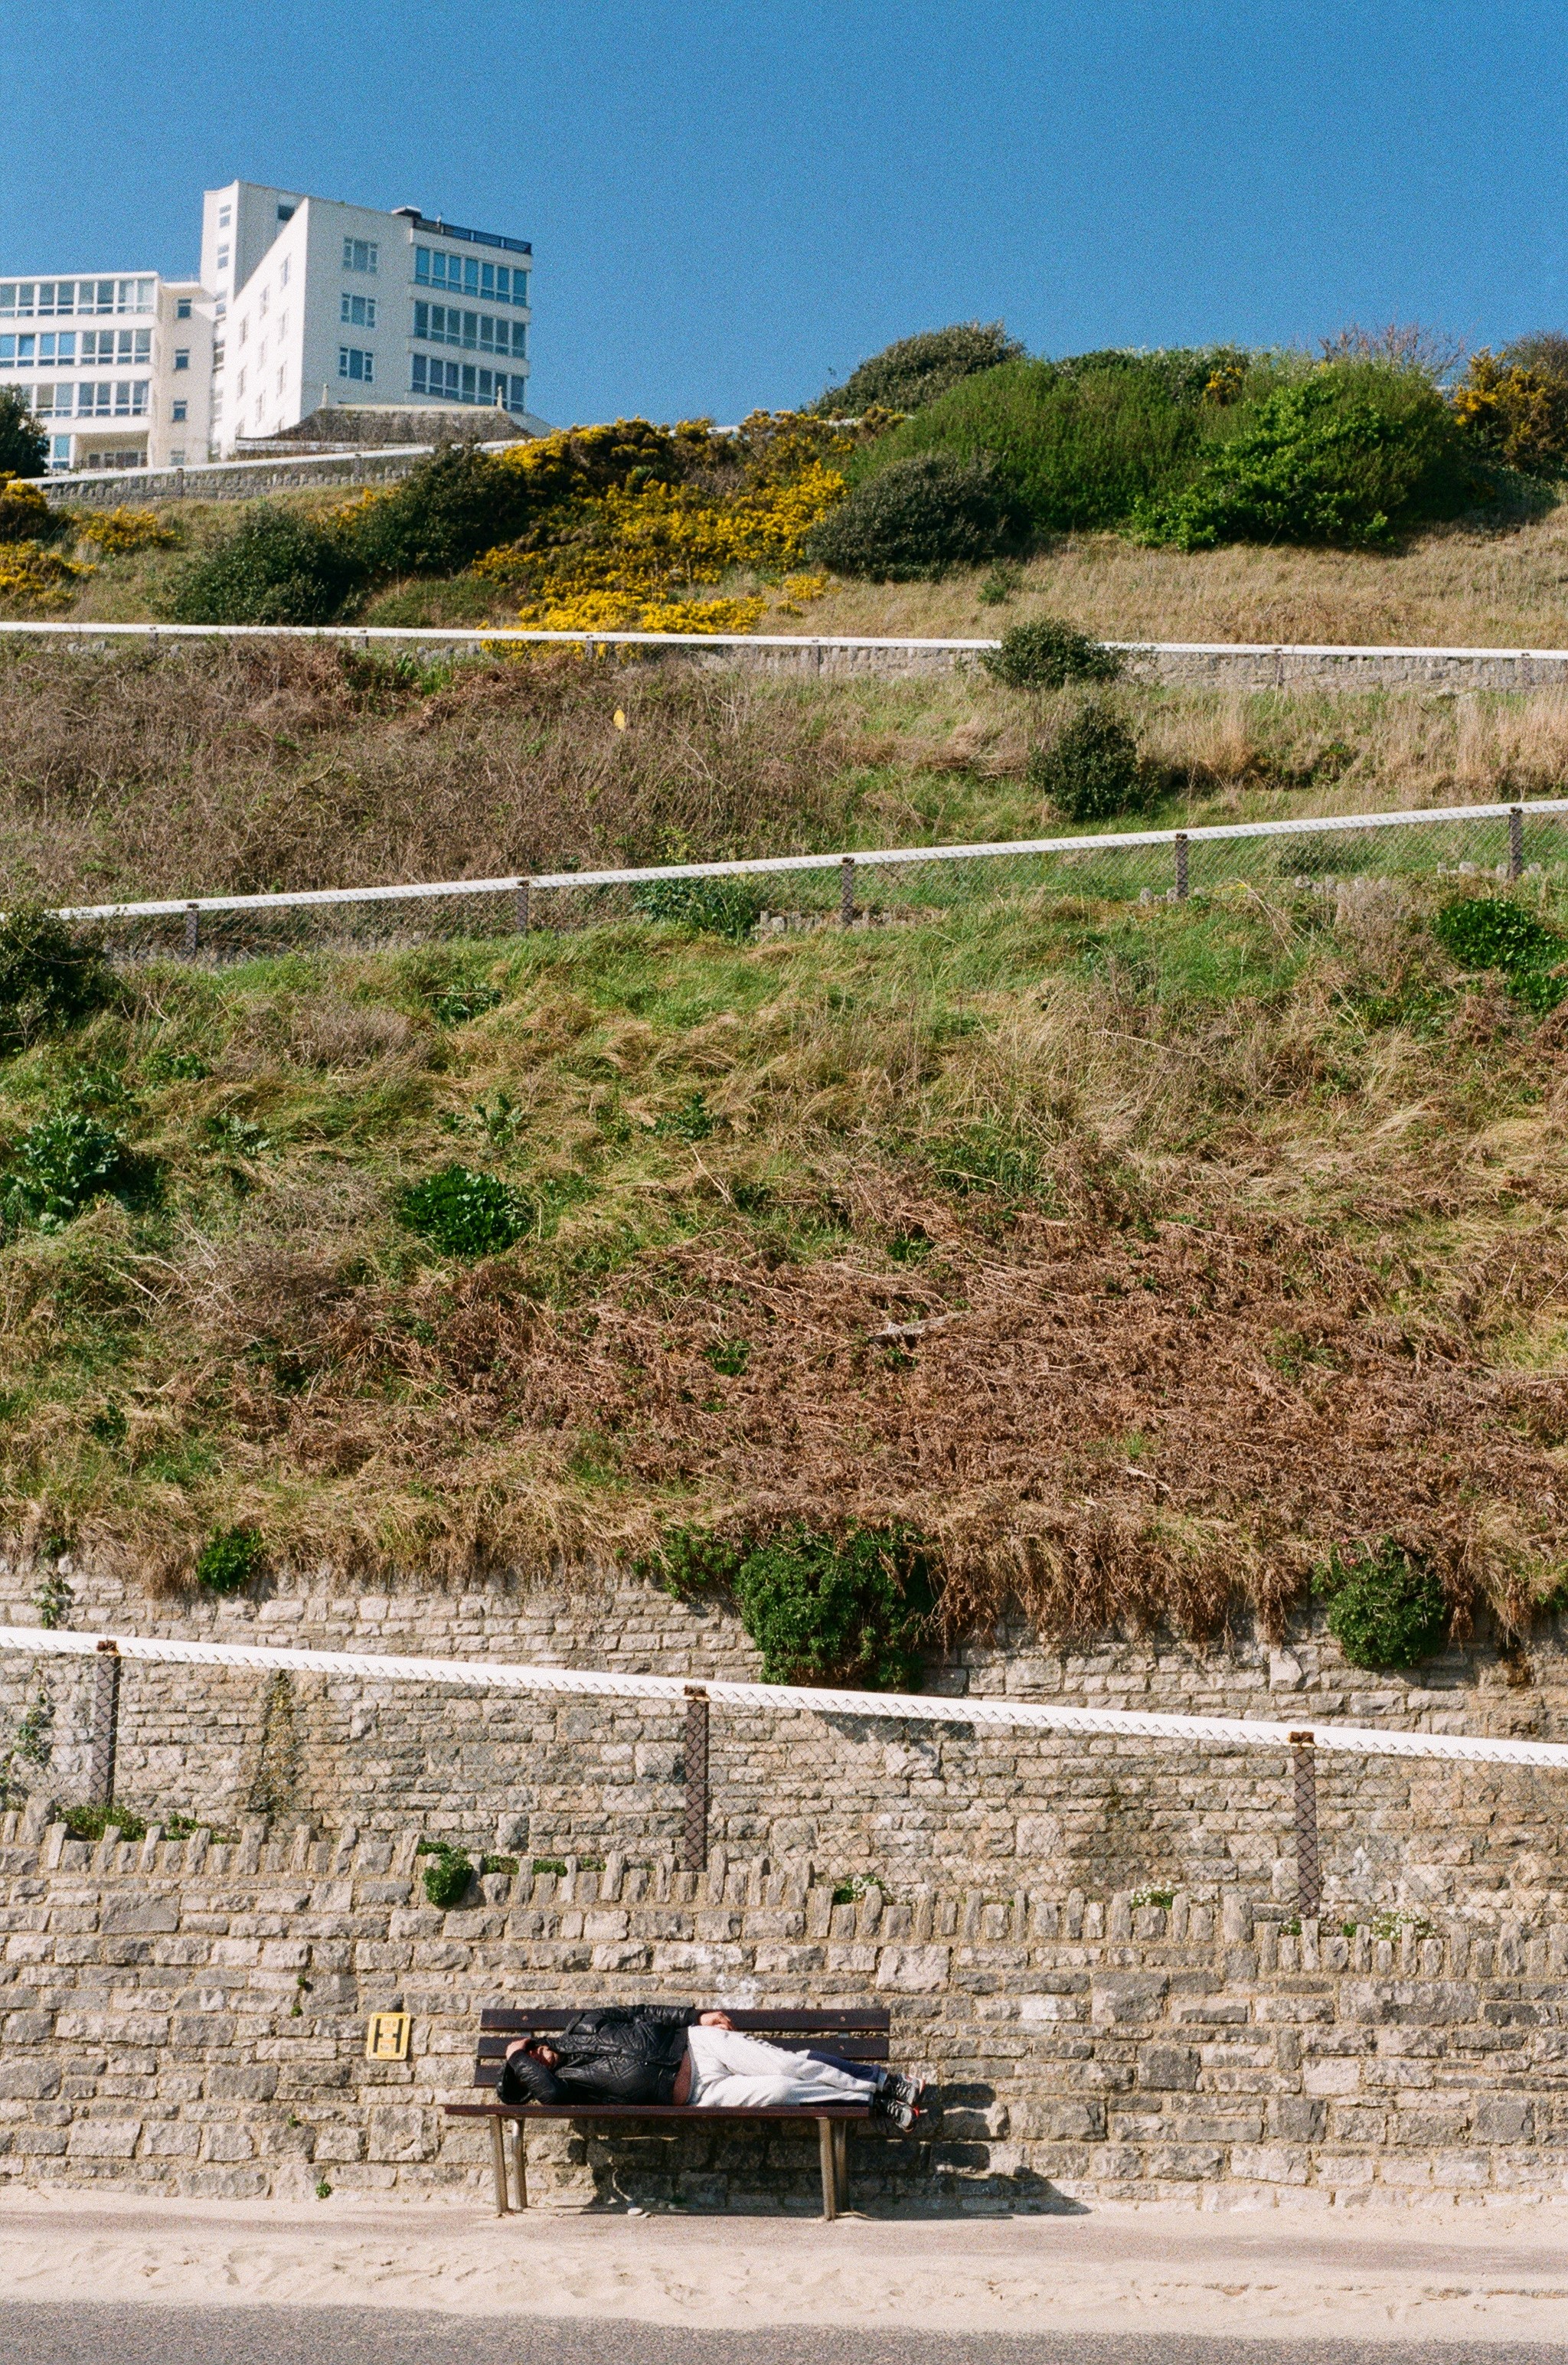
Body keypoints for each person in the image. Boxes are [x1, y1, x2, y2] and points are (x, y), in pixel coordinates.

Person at [499, 2004, 929, 2129]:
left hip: (700, 2046)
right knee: (781, 2091)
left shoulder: (585, 2024)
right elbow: (550, 2094)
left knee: (786, 2063)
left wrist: (696, 2017)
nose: (537, 2053)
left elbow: (643, 2011)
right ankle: (873, 2102)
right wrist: (515, 2057)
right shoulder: (567, 2088)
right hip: (696, 2095)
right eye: (529, 2059)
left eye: (534, 2046)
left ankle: (886, 2081)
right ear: (530, 2075)